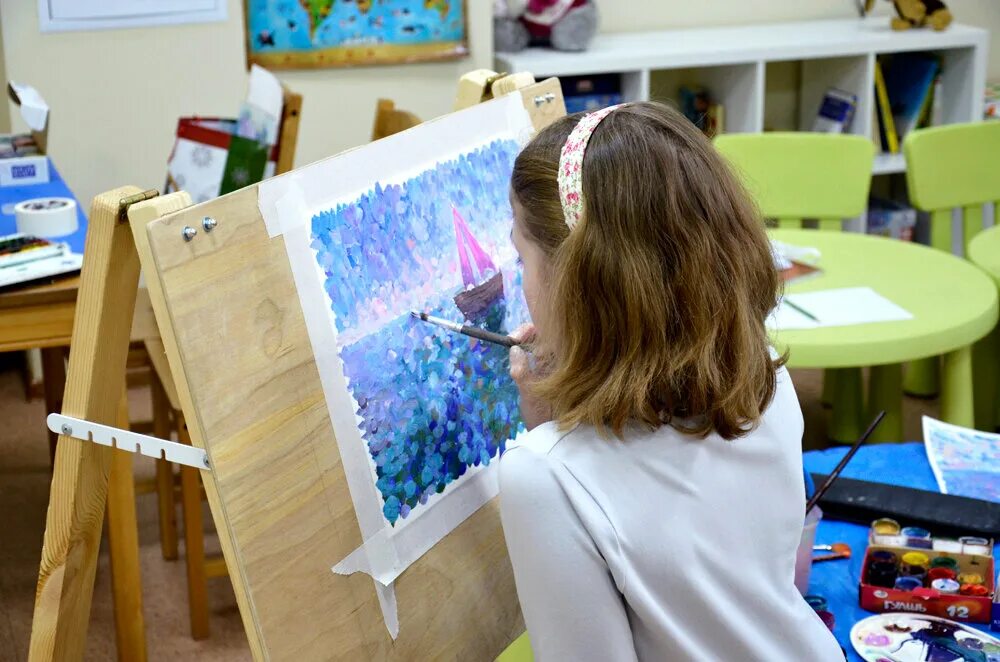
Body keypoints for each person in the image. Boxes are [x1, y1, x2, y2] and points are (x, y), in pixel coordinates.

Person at [499, 102, 843, 661]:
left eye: (522, 259)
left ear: (575, 283)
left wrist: (548, 444)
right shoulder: (764, 381)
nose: (522, 283)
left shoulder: (542, 476)